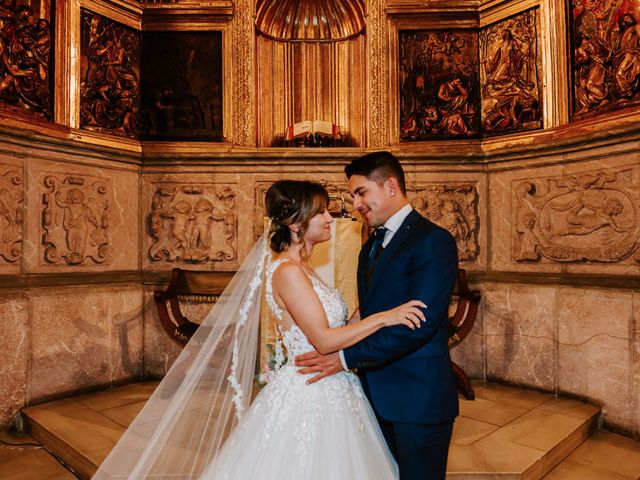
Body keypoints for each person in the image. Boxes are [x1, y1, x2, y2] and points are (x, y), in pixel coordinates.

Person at [93, 179, 426, 480]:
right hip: (311, 390)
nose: (330, 219)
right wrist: (384, 319)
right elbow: (324, 340)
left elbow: (338, 325)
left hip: (332, 384)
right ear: (296, 224)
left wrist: (382, 303)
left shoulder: (302, 268)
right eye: (320, 213)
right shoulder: (288, 272)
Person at [296, 151, 459, 480]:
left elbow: (418, 326)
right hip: (372, 395)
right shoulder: (371, 244)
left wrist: (344, 358)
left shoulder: (433, 241)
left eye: (361, 192)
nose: (355, 204)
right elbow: (370, 311)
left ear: (390, 186)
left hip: (417, 399)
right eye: (353, 195)